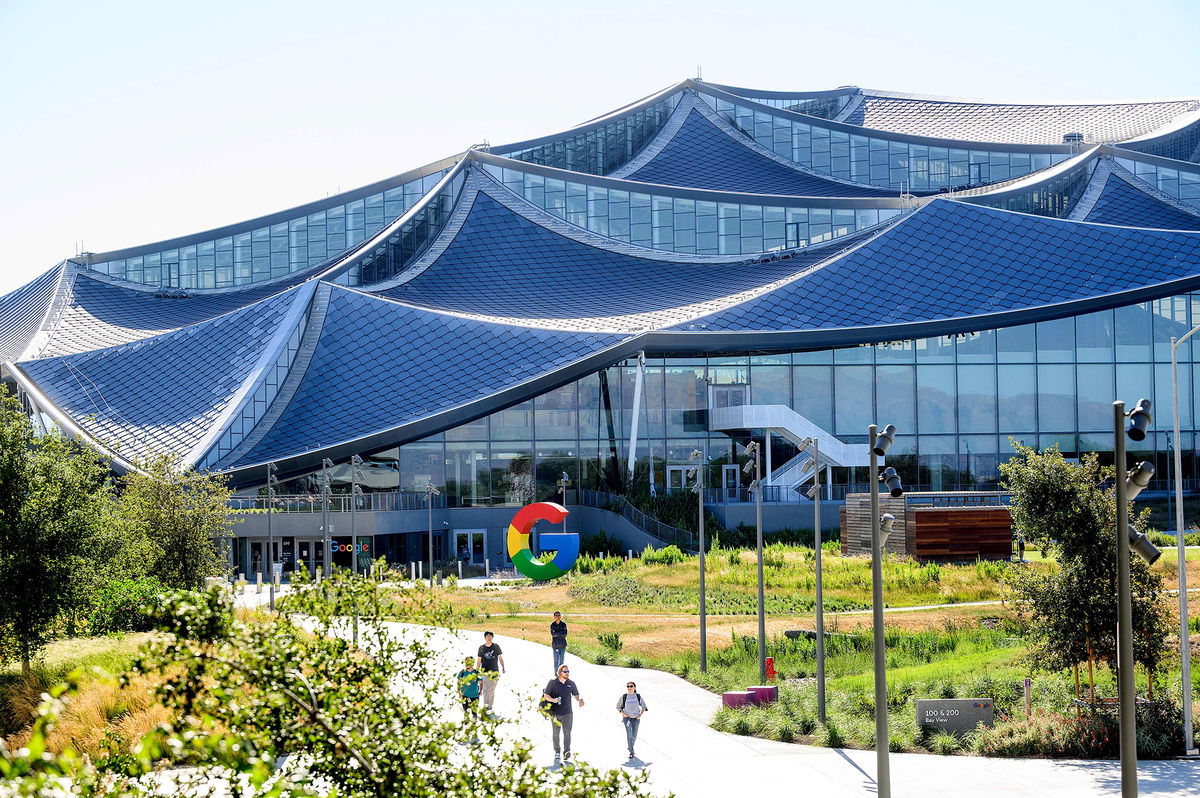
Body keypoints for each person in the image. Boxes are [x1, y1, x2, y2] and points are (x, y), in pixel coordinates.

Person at [542, 663, 584, 765]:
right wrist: (553, 700)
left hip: (568, 713)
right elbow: (546, 695)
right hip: (555, 713)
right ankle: (557, 751)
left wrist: (579, 700)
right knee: (556, 733)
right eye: (565, 671)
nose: (567, 673)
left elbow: (576, 695)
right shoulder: (553, 683)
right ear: (560, 673)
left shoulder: (571, 683)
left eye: (568, 671)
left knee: (567, 733)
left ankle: (567, 751)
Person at [616, 680, 648, 761]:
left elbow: (644, 706)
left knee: (634, 735)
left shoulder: (638, 696)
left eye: (631, 686)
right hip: (627, 719)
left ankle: (630, 746)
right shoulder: (624, 696)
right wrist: (622, 713)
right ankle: (631, 751)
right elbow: (618, 706)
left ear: (634, 687)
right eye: (628, 686)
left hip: (636, 719)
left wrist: (640, 715)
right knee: (629, 734)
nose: (629, 688)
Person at [476, 631, 505, 711]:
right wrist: (476, 670)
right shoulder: (481, 648)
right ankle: (486, 705)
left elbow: (500, 658)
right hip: (485, 671)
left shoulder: (496, 646)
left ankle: (490, 705)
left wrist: (503, 667)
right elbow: (479, 660)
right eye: (487, 636)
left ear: (492, 637)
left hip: (494, 671)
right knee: (485, 689)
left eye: (490, 636)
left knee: (492, 689)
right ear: (485, 637)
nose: (489, 637)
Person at [456, 656, 480, 724]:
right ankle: (466, 727)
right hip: (465, 695)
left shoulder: (476, 672)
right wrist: (459, 693)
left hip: (475, 695)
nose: (467, 664)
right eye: (466, 662)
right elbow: (458, 683)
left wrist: (480, 691)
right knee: (465, 712)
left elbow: (481, 682)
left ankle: (474, 726)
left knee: (474, 712)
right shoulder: (462, 672)